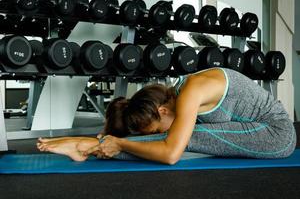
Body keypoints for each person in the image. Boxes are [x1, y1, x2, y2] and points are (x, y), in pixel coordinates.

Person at [37, 68, 297, 164]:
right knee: (181, 137)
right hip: (252, 129)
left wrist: (120, 144)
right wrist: (115, 136)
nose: (160, 133)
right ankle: (94, 145)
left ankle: (89, 146)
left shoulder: (191, 92)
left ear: (162, 110)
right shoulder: (179, 92)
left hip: (278, 135)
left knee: (186, 138)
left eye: (155, 129)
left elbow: (171, 154)